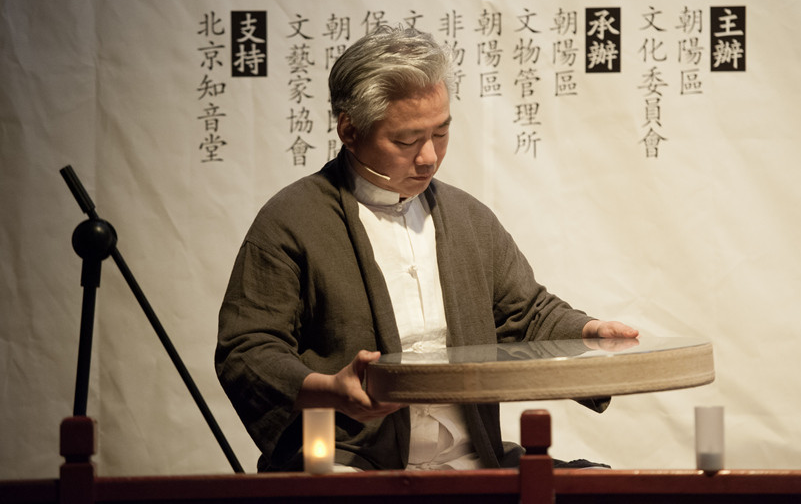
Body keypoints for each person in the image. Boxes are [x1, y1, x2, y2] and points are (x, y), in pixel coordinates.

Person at [215, 26, 639, 472]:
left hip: (471, 458)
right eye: (406, 140)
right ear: (350, 130)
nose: (429, 158)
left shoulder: (467, 218)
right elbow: (247, 350)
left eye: (440, 133)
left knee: (600, 490)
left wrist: (590, 333)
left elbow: (526, 314)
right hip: (347, 458)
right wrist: (326, 388)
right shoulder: (293, 219)